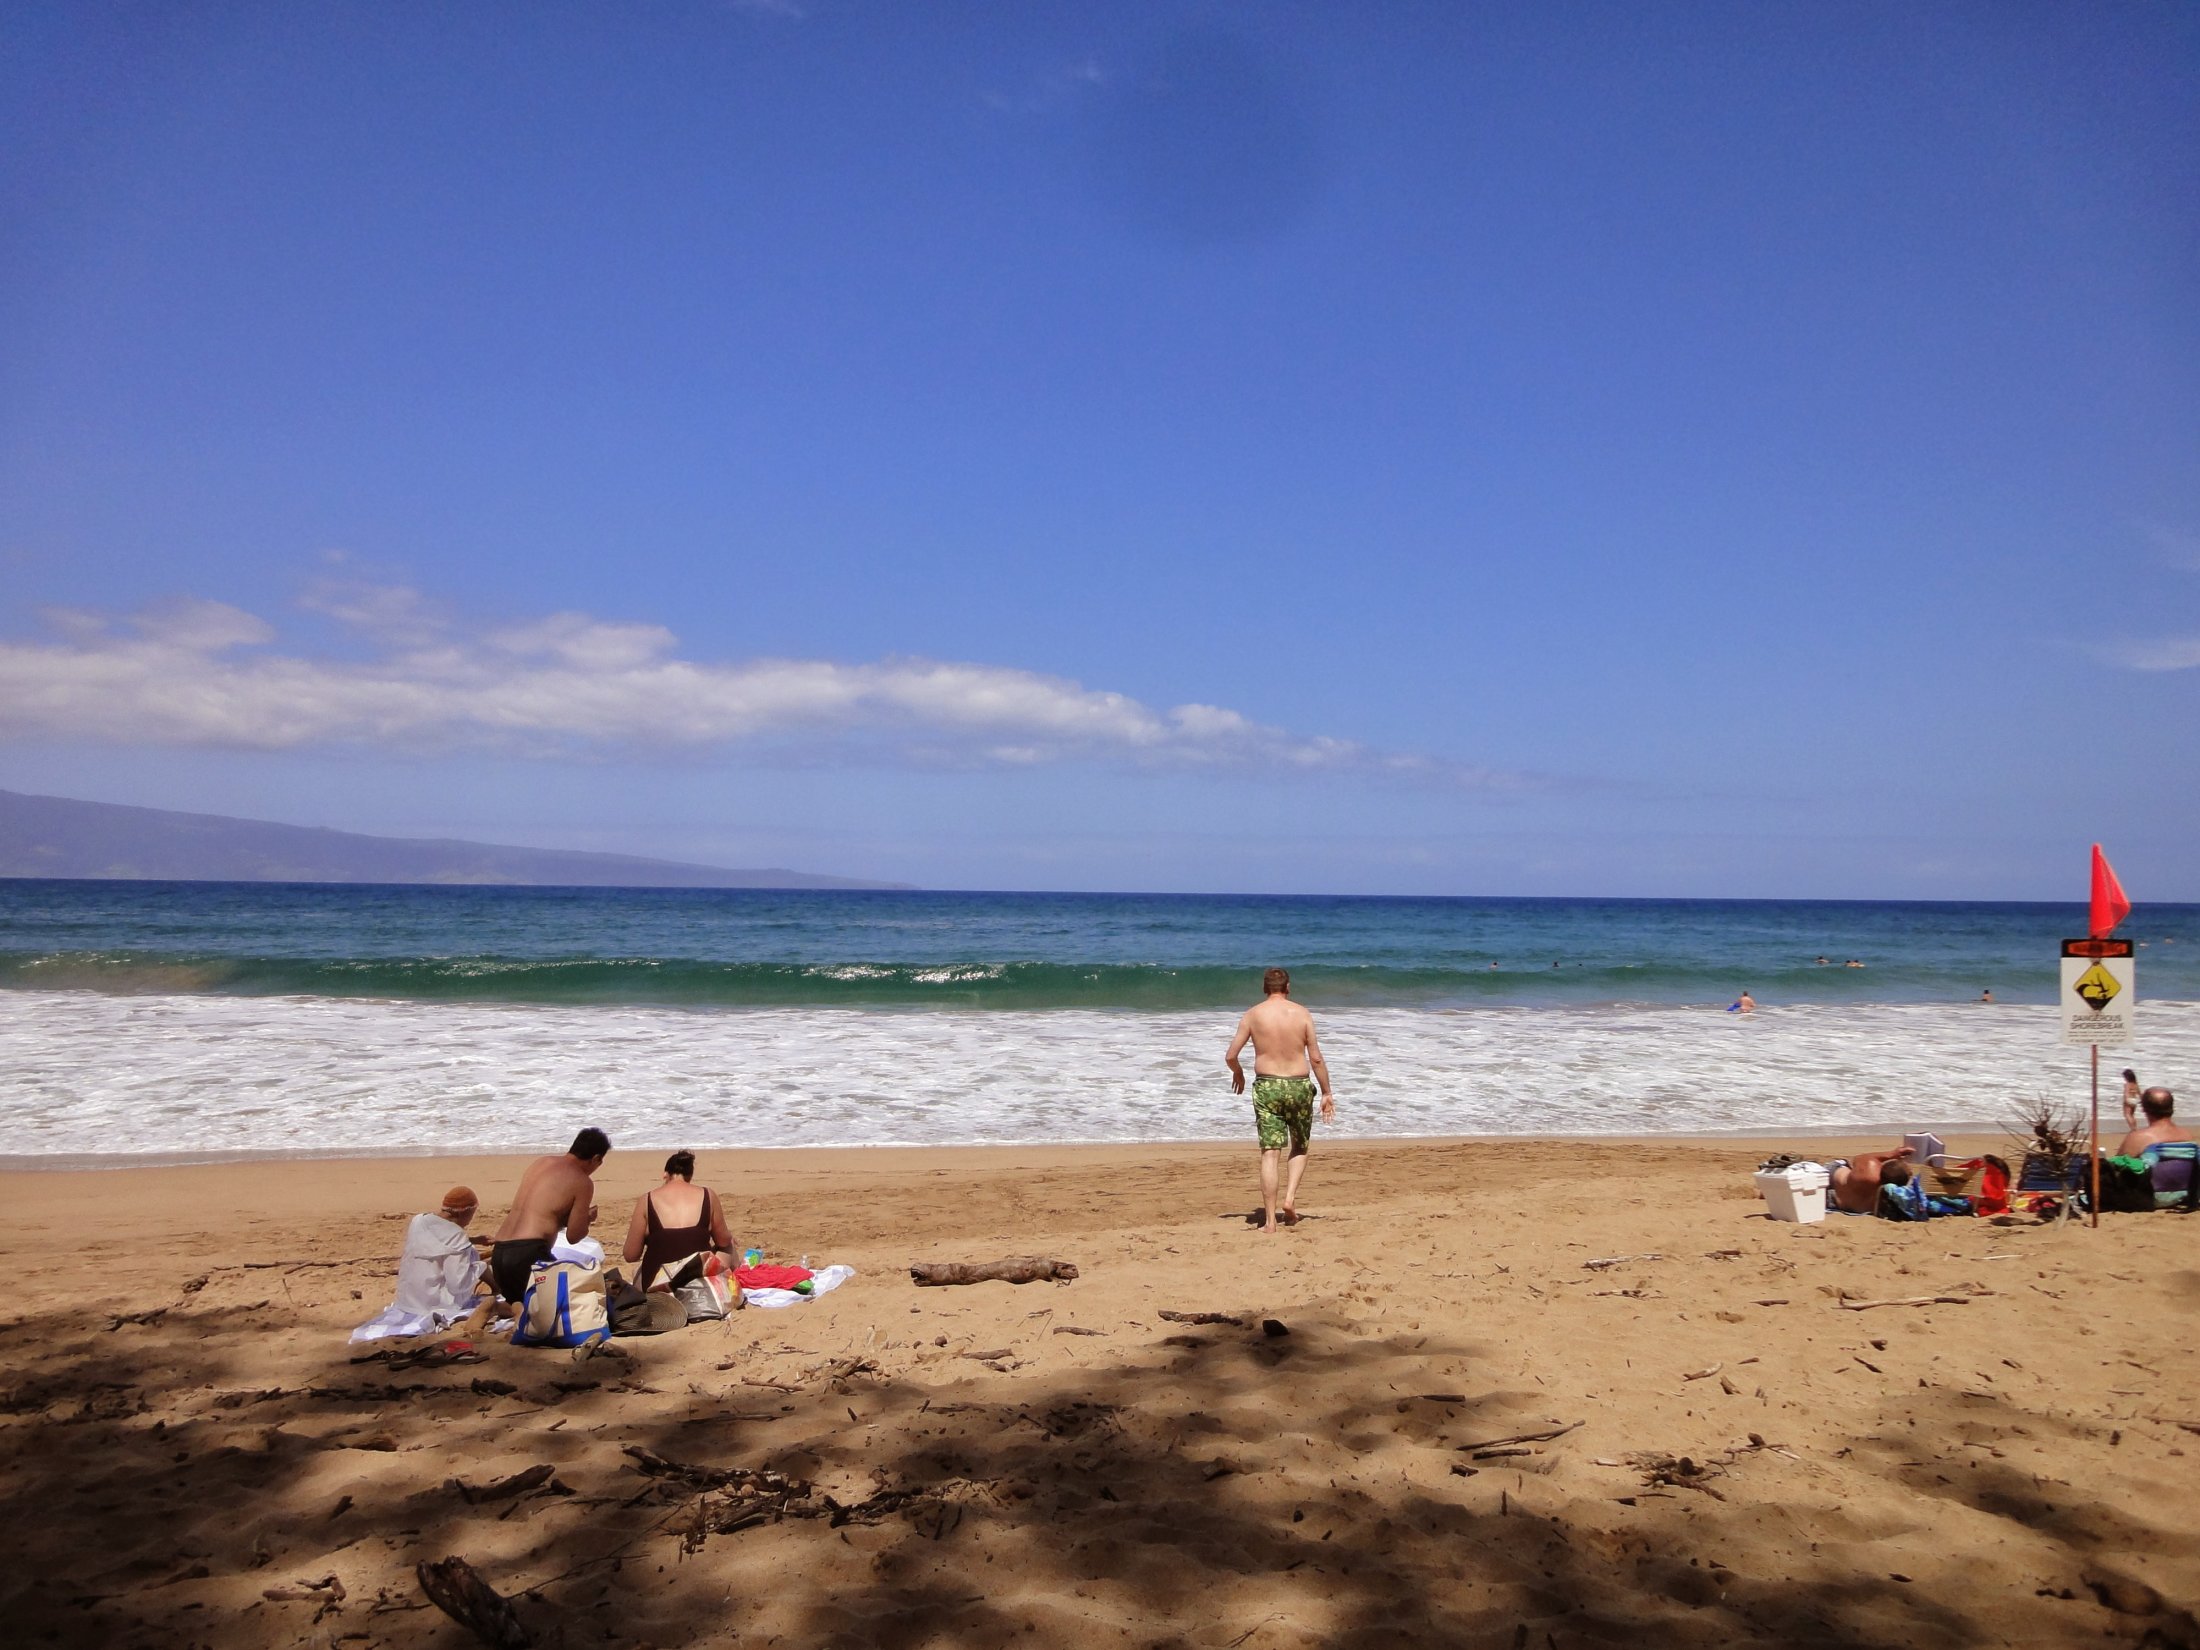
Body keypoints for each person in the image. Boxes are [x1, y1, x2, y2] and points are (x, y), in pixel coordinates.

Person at [1224, 968, 1336, 1234]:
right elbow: (1316, 1058)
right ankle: (1290, 1199)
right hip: (1298, 1085)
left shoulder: (1253, 1015)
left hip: (1267, 1086)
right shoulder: (1302, 1014)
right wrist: (1327, 1092)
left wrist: (1238, 1072)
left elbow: (1230, 1055)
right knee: (1299, 1146)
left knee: (1270, 1154)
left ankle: (1271, 1222)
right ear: (1288, 987)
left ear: (1265, 988)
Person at [350, 1185, 491, 1342]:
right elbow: (457, 1284)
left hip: (408, 1300)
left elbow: (438, 1241)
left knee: (468, 1249)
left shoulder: (419, 1221)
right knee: (472, 1254)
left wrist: (473, 1240)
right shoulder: (457, 1236)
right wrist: (480, 1266)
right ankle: (497, 1288)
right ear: (465, 1212)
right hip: (436, 1304)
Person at [490, 1127, 609, 1301]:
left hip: (499, 1253)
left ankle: (495, 1307)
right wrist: (587, 1219)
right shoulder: (582, 1181)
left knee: (523, 1305)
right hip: (528, 1255)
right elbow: (574, 1236)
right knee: (568, 1303)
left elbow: (544, 1213)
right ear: (596, 1158)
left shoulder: (541, 1163)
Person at [623, 1149, 735, 1291]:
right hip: (699, 1284)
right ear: (690, 1175)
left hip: (659, 1288)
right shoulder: (708, 1195)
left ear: (665, 1174)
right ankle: (731, 1284)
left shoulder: (647, 1199)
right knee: (729, 1245)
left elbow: (630, 1255)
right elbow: (723, 1241)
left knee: (638, 1272)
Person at [1827, 1145, 1913, 1214]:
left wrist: (1892, 1154)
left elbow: (1859, 1158)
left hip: (1831, 1178)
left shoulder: (1870, 1171)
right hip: (1833, 1202)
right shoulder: (1886, 1204)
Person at [2114, 1087, 2188, 1160]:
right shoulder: (2187, 1136)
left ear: (2143, 1108)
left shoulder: (2138, 1138)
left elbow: (2117, 1167)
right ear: (2172, 1108)